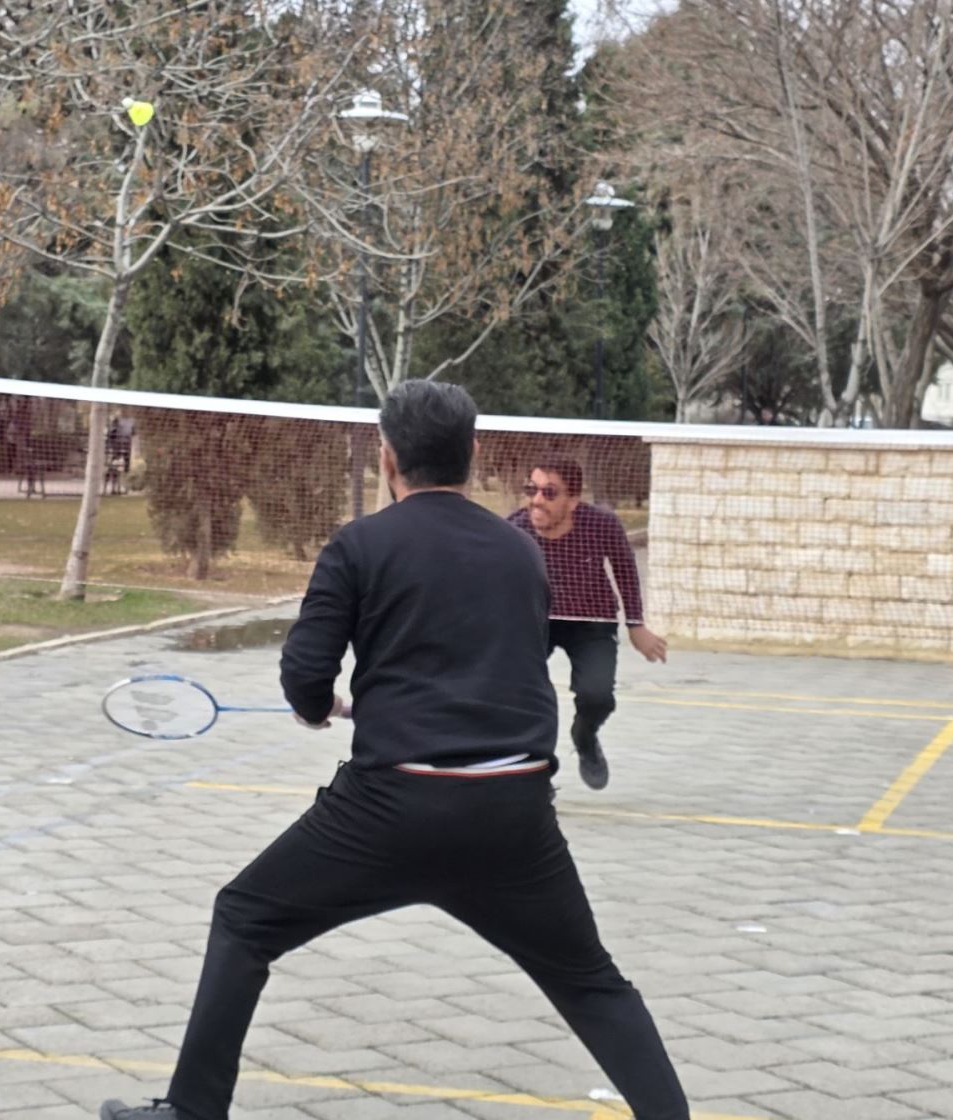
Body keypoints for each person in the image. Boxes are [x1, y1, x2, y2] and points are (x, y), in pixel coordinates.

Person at [99, 380, 691, 1120]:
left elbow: (306, 676)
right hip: (513, 812)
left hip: (390, 810)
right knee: (592, 983)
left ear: (386, 458)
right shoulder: (520, 551)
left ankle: (191, 1111)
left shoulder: (358, 545)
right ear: (471, 454)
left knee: (244, 919)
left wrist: (317, 707)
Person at [508, 456, 667, 790]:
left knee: (597, 696)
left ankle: (585, 736)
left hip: (591, 620)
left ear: (573, 501)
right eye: (532, 489)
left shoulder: (602, 525)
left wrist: (636, 625)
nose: (537, 499)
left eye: (550, 492)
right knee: (520, 694)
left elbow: (625, 570)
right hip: (536, 621)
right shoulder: (514, 530)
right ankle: (533, 772)